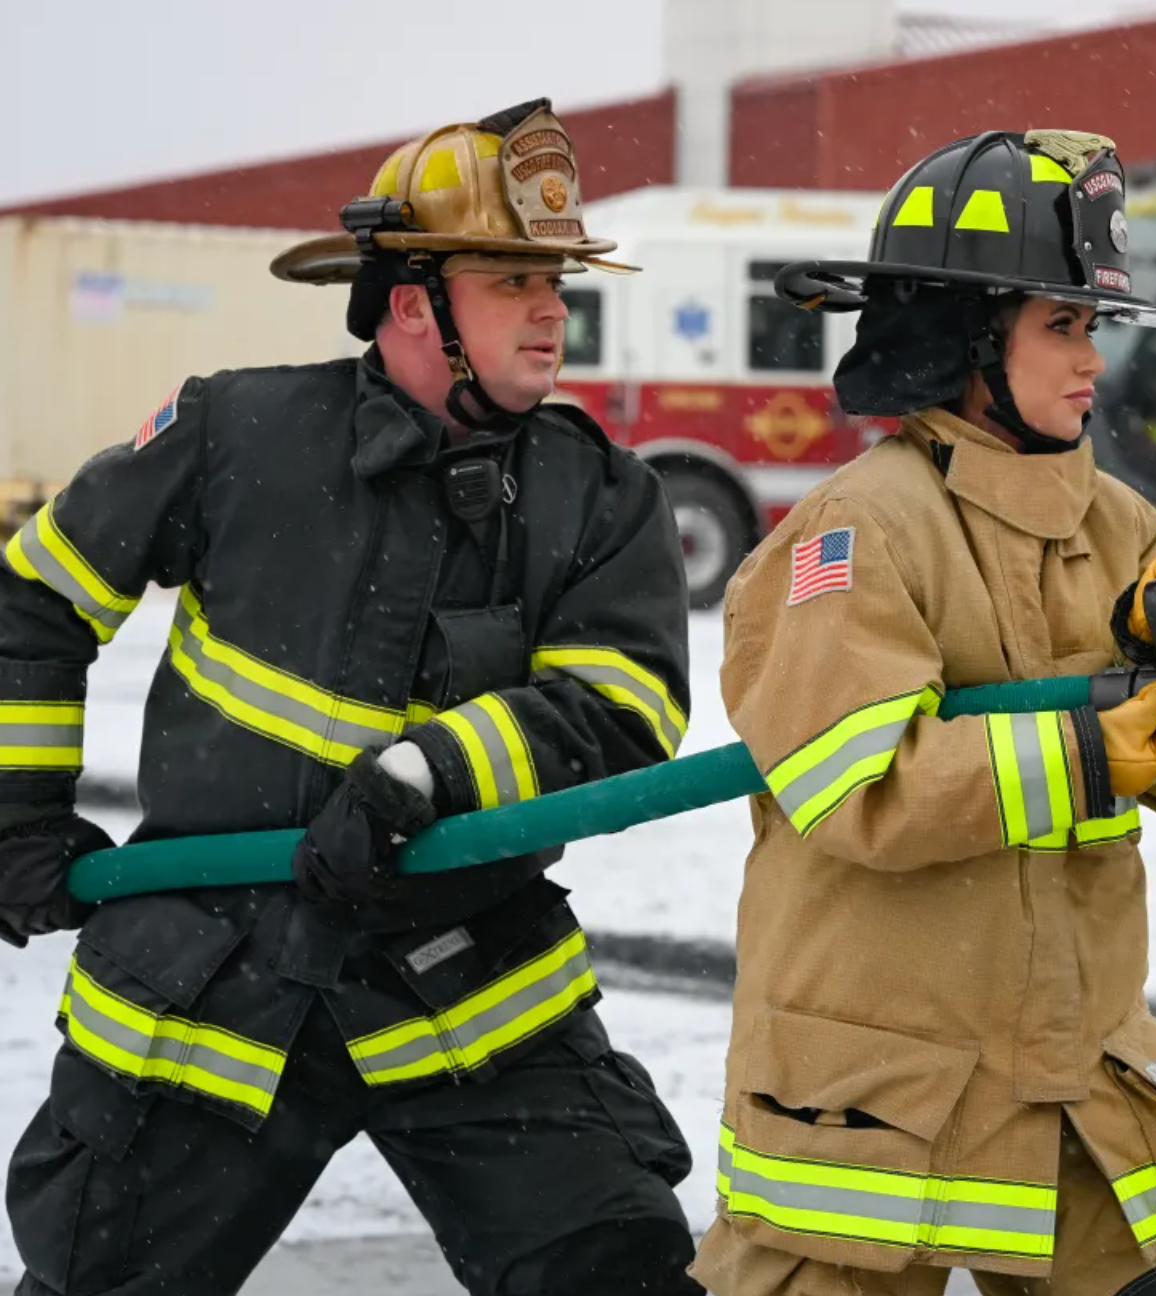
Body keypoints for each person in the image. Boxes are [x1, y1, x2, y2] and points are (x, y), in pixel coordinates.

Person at [0, 99, 703, 1296]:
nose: (551, 309)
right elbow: (33, 602)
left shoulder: (602, 496)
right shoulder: (239, 432)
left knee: (617, 1273)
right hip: (213, 988)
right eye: (512, 276)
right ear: (414, 299)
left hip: (473, 989)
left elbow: (619, 712)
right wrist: (18, 815)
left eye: (557, 279)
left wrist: (428, 777)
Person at [690, 129, 1156, 1296]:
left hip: (1070, 1091)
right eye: (1060, 326)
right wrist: (1094, 747)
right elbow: (857, 790)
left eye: (1092, 328)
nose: (1090, 364)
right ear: (964, 341)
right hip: (872, 1118)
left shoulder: (1122, 526)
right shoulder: (854, 535)